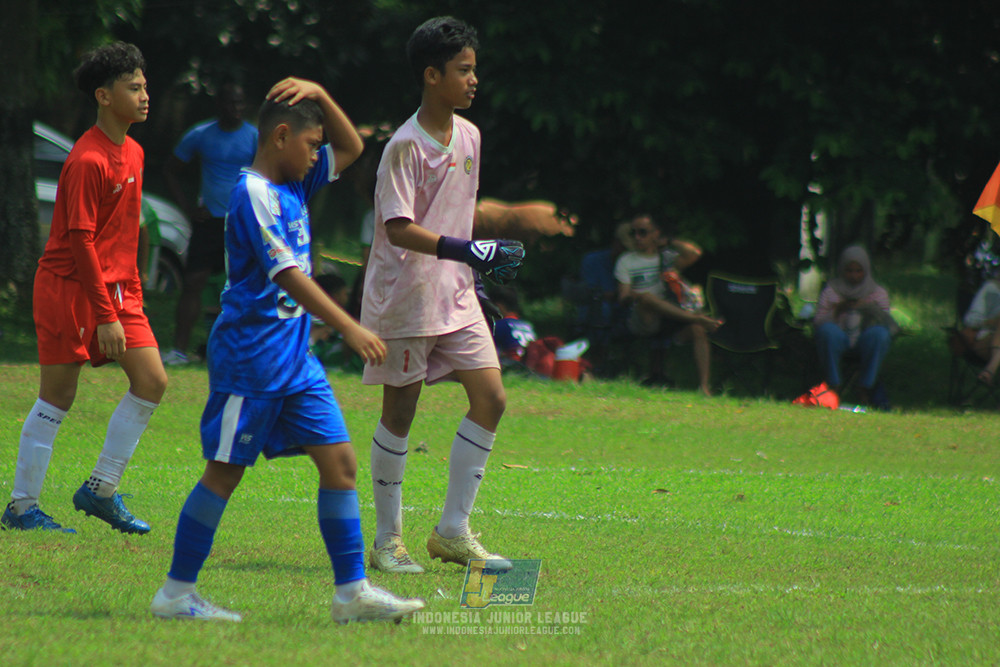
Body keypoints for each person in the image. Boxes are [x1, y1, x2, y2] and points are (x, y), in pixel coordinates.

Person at [150, 78, 424, 624]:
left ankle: (352, 594)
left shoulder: (296, 184)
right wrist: (349, 326)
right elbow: (288, 274)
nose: (319, 154)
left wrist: (321, 94)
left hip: (296, 360)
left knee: (340, 464)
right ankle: (176, 594)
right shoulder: (251, 193)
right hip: (249, 360)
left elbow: (353, 148)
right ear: (280, 136)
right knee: (224, 473)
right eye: (310, 144)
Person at [361, 16, 526, 574]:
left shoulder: (471, 135)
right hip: (405, 297)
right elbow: (398, 228)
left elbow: (456, 217)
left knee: (492, 398)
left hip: (455, 295)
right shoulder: (404, 146)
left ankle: (452, 531)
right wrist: (472, 252)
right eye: (463, 70)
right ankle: (388, 542)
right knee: (400, 413)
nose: (473, 80)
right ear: (432, 76)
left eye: (474, 70)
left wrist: (472, 277)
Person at [2, 43, 165, 534]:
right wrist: (105, 315)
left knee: (152, 380)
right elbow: (80, 242)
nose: (144, 95)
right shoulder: (87, 159)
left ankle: (100, 491)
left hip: (116, 291)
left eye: (144, 85)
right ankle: (21, 507)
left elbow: (126, 236)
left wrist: (127, 301)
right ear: (103, 95)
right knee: (58, 395)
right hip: (68, 287)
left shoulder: (134, 151)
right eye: (133, 87)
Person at [161, 82, 258, 365]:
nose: (236, 109)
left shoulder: (254, 137)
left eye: (240, 104)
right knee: (193, 282)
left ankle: (240, 352)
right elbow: (170, 171)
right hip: (209, 222)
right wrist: (188, 207)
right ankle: (179, 350)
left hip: (241, 222)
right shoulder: (201, 135)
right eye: (230, 103)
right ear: (220, 105)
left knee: (243, 285)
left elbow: (270, 174)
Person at [614, 214, 720, 395]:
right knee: (647, 297)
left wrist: (669, 241)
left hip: (671, 314)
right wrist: (635, 297)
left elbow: (694, 253)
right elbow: (623, 296)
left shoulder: (667, 258)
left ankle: (704, 386)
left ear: (655, 233)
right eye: (634, 233)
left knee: (698, 330)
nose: (638, 237)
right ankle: (698, 318)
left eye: (643, 232)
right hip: (644, 318)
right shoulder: (626, 260)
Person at [814, 245, 897, 406]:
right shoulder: (831, 291)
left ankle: (865, 386)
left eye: (858, 271)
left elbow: (888, 323)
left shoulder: (878, 292)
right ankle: (834, 384)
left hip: (864, 339)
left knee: (880, 334)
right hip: (840, 338)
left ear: (865, 270)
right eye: (849, 271)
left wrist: (870, 308)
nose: (853, 276)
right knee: (827, 332)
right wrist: (837, 310)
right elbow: (818, 322)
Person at [960, 271, 1000, 384]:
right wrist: (990, 322)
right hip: (985, 343)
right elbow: (970, 320)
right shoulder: (991, 289)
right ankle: (991, 369)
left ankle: (989, 371)